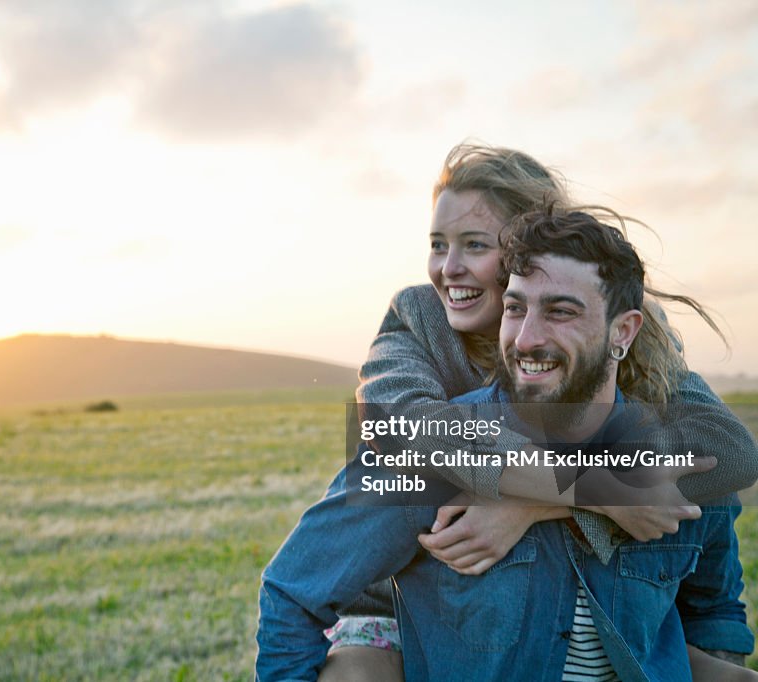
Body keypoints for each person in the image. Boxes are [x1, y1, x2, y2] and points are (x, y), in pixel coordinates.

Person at [255, 209, 755, 681]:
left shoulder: (674, 456)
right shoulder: (436, 455)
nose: (526, 338)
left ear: (622, 332)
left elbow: (713, 613)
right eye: (515, 309)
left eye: (560, 312)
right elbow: (292, 592)